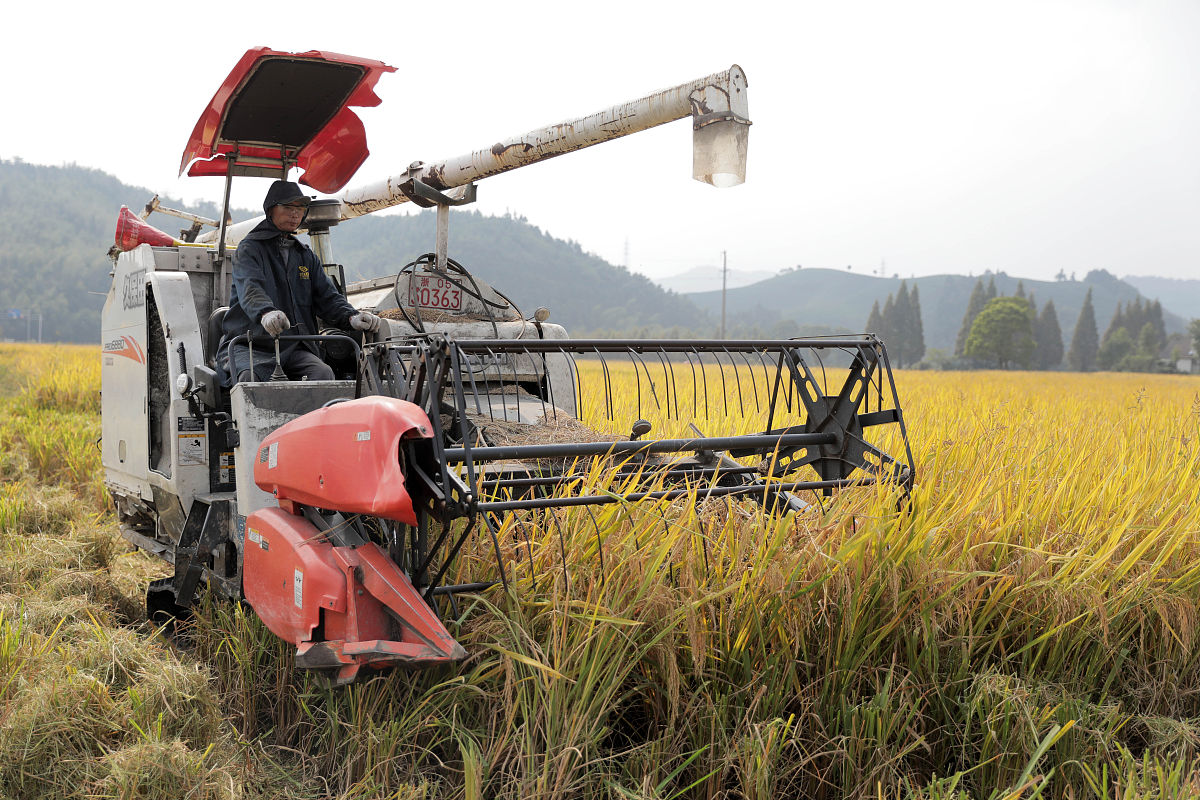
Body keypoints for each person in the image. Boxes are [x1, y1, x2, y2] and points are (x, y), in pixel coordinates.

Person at [219, 180, 380, 384]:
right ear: (270, 209)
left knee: (322, 374)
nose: (295, 214)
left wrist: (352, 317)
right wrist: (266, 312)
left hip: (294, 346)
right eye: (287, 207)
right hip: (253, 345)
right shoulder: (249, 249)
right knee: (250, 380)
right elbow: (250, 289)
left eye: (300, 208)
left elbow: (328, 297)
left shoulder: (305, 256)